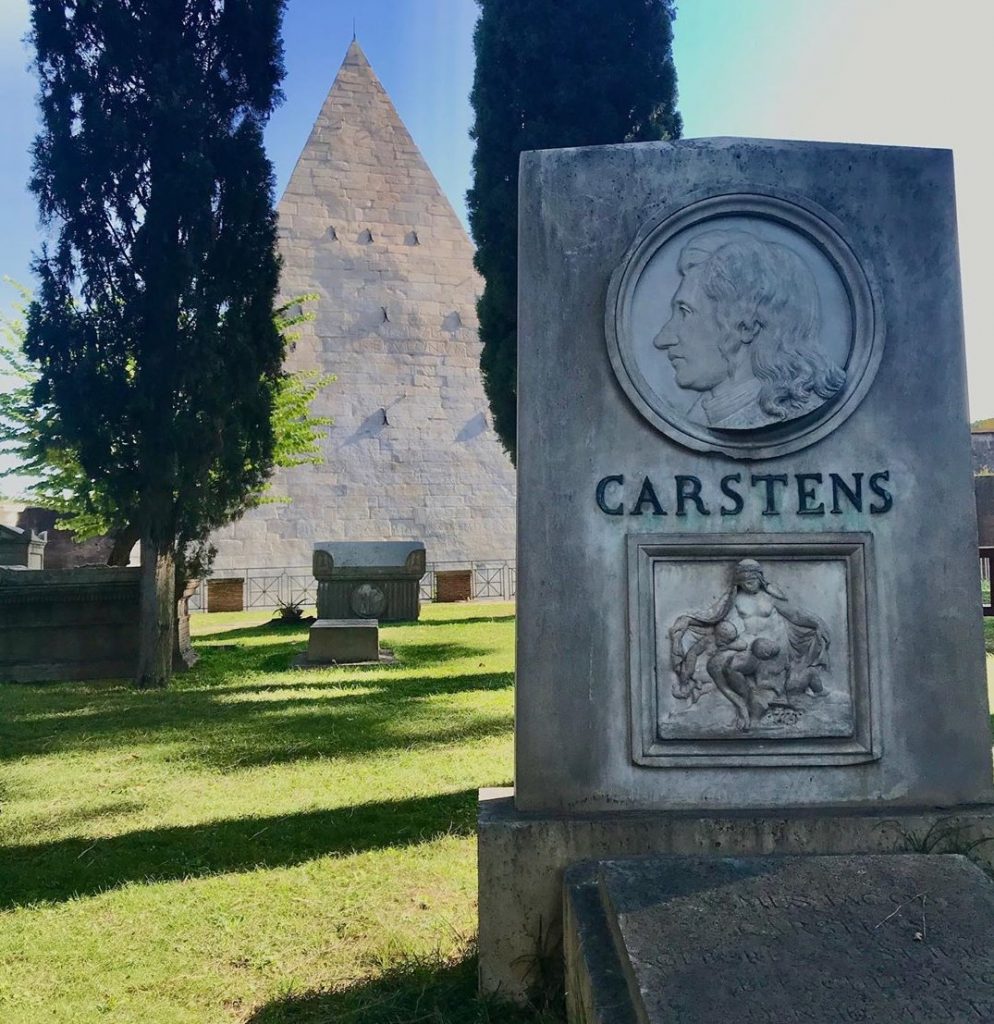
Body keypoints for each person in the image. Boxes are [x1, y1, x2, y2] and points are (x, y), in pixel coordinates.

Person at [653, 229, 846, 430]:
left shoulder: (796, 409)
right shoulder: (704, 415)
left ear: (747, 327)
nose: (662, 339)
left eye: (685, 312)